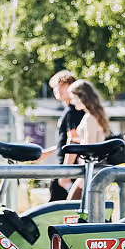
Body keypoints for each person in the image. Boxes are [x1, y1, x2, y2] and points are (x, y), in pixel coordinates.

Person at [43, 70, 83, 200]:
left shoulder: (72, 111)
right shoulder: (69, 110)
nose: (57, 89)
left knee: (57, 211)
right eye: (56, 86)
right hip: (69, 166)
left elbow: (74, 140)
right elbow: (66, 141)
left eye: (62, 85)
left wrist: (66, 171)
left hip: (70, 168)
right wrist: (47, 153)